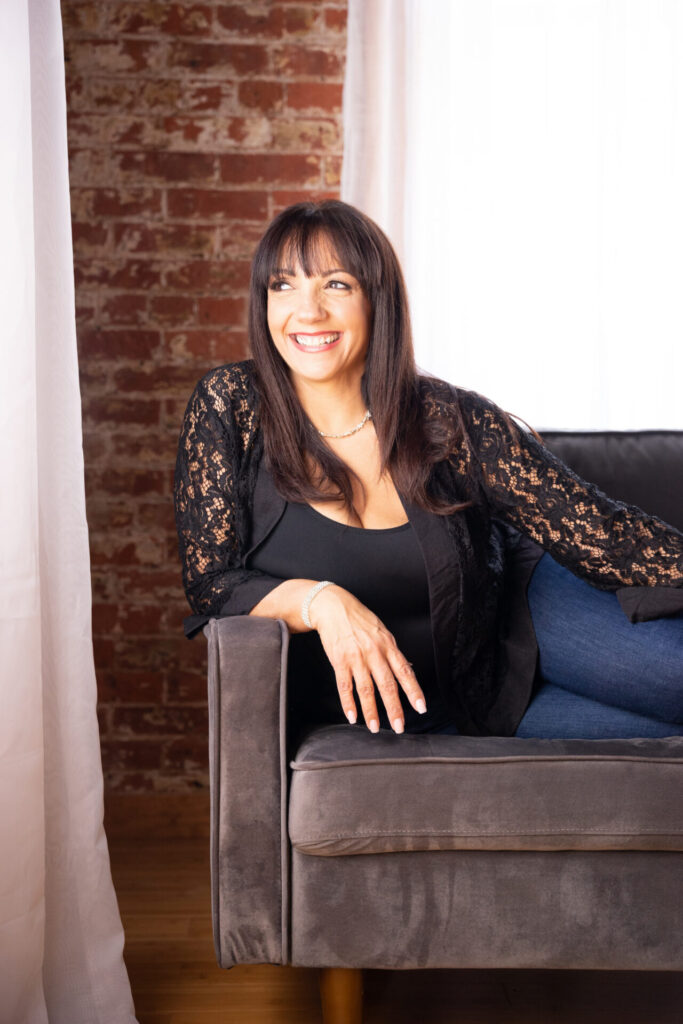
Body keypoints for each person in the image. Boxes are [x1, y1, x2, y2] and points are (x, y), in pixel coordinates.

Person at [174, 199, 683, 742]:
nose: (309, 311)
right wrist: (320, 600)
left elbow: (605, 533)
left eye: (336, 285)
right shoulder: (231, 404)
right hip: (467, 701)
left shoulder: (445, 417)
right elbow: (211, 581)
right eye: (284, 285)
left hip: (525, 607)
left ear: (376, 299)